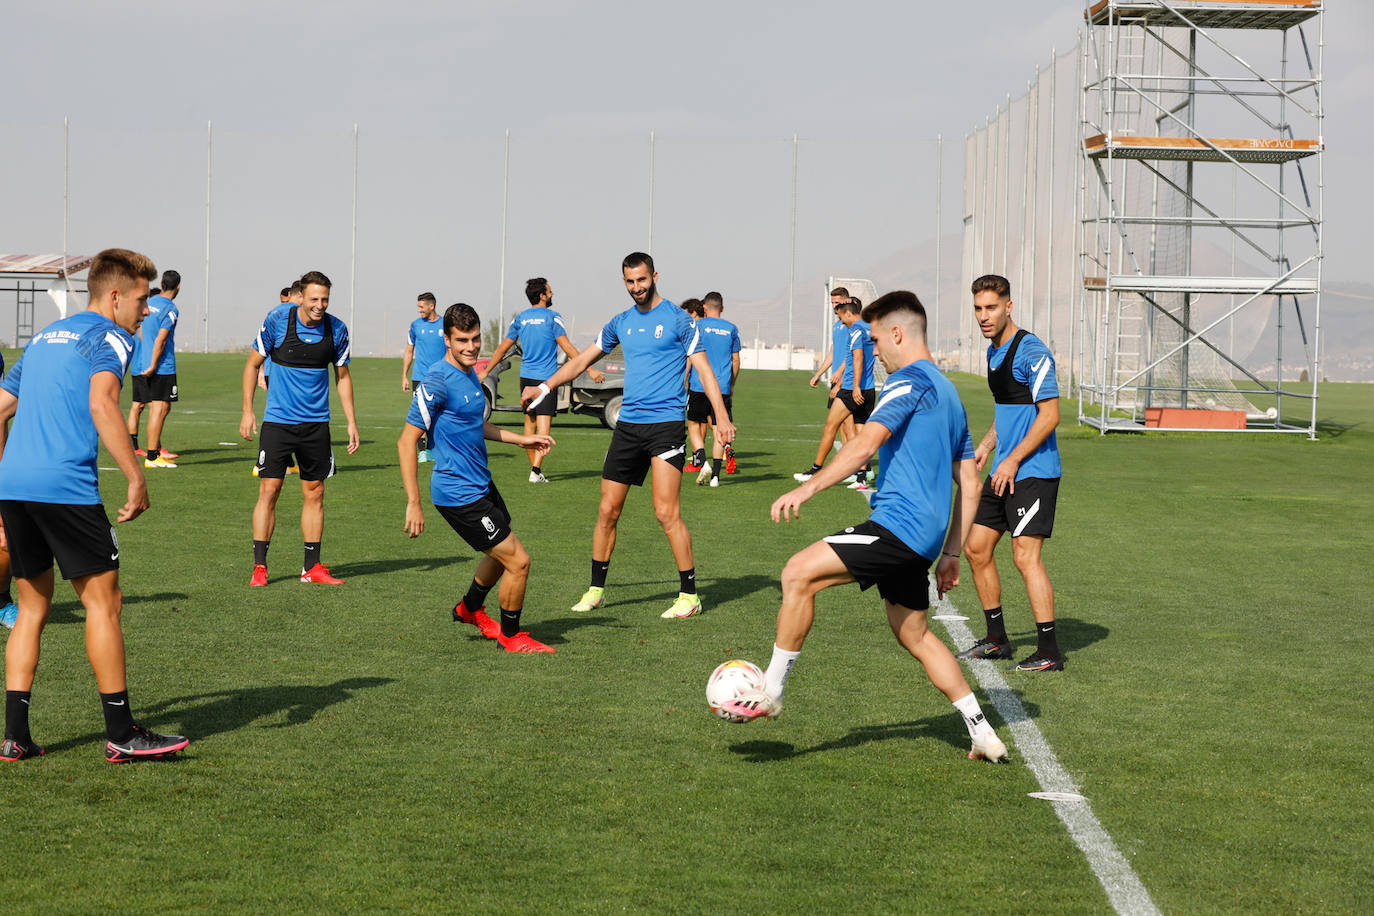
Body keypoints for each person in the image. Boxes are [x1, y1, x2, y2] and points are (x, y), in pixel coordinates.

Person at [720, 290, 1007, 763]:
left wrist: (807, 488)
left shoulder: (905, 382)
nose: (872, 350)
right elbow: (970, 482)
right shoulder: (950, 392)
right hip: (925, 540)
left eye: (875, 340)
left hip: (898, 528)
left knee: (796, 573)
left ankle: (770, 691)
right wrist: (952, 553)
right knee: (914, 635)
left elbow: (863, 446)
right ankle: (981, 730)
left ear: (897, 334)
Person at [0, 247, 188, 763]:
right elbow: (103, 403)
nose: (146, 310)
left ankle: (15, 736)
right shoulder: (109, 336)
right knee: (104, 604)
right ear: (114, 297)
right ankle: (122, 731)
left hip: (14, 488)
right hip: (66, 488)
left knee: (32, 608)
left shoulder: (42, 338)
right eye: (142, 299)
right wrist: (136, 478)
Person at [521, 252, 734, 619]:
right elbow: (581, 360)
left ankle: (689, 595)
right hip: (629, 427)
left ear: (654, 276)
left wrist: (723, 416)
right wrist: (545, 386)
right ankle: (595, 590)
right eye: (630, 282)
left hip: (665, 426)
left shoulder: (680, 320)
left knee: (666, 514)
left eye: (642, 280)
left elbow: (705, 370)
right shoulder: (620, 322)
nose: (637, 288)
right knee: (607, 511)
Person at [400, 303, 557, 653]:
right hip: (458, 493)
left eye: (475, 339)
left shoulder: (470, 372)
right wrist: (414, 503)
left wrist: (523, 439)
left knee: (501, 554)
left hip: (481, 485)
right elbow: (407, 440)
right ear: (447, 339)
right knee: (519, 561)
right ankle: (511, 637)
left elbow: (477, 425)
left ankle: (469, 609)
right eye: (462, 341)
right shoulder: (437, 380)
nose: (471, 347)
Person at [958, 274, 1065, 672]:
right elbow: (1010, 411)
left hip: (1033, 471)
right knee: (976, 548)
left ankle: (1049, 651)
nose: (983, 317)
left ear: (1009, 306)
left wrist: (1013, 458)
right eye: (977, 309)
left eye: (990, 308)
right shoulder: (993, 352)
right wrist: (987, 445)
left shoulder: (1031, 351)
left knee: (1025, 556)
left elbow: (1049, 415)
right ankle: (997, 640)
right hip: (1005, 469)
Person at [240, 270, 359, 587]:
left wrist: (351, 421)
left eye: (325, 299)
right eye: (314, 299)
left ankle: (311, 567)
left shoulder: (337, 329)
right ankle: (260, 568)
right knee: (269, 491)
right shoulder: (278, 319)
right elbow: (252, 365)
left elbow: (343, 377)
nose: (320, 305)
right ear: (301, 297)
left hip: (316, 425)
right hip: (278, 422)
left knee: (316, 493)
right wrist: (248, 411)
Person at [480, 278, 602, 483]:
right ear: (542, 295)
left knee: (529, 427)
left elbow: (502, 349)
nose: (552, 293)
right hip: (546, 381)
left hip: (526, 379)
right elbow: (568, 348)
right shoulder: (553, 318)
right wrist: (589, 369)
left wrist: (486, 371)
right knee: (544, 431)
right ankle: (535, 472)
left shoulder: (520, 319)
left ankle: (535, 470)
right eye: (550, 290)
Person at [794, 298, 873, 489]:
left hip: (851, 390)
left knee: (830, 426)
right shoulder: (871, 328)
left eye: (840, 316)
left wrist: (854, 387)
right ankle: (861, 478)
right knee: (861, 435)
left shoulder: (855, 330)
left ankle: (815, 469)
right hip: (869, 389)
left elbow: (858, 357)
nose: (840, 321)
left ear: (848, 313)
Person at [125, 269, 182, 469]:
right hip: (162, 367)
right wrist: (154, 364)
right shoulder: (170, 309)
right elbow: (161, 338)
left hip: (147, 363)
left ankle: (155, 452)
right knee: (158, 410)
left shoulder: (149, 304)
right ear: (178, 286)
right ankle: (152, 456)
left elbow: (141, 334)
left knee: (161, 408)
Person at [685, 291, 741, 487]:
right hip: (722, 387)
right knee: (719, 430)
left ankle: (702, 461)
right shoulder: (731, 328)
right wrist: (731, 384)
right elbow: (735, 360)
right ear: (722, 308)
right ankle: (716, 476)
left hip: (699, 385)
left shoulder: (697, 326)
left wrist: (684, 380)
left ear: (705, 308)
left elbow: (690, 357)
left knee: (693, 424)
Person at [402, 292, 446, 463]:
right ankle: (422, 452)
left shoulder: (445, 325)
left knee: (438, 415)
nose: (419, 310)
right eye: (418, 306)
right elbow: (409, 351)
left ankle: (433, 448)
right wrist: (404, 375)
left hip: (441, 377)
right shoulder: (415, 326)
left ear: (431, 306)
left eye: (421, 307)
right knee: (420, 414)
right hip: (419, 378)